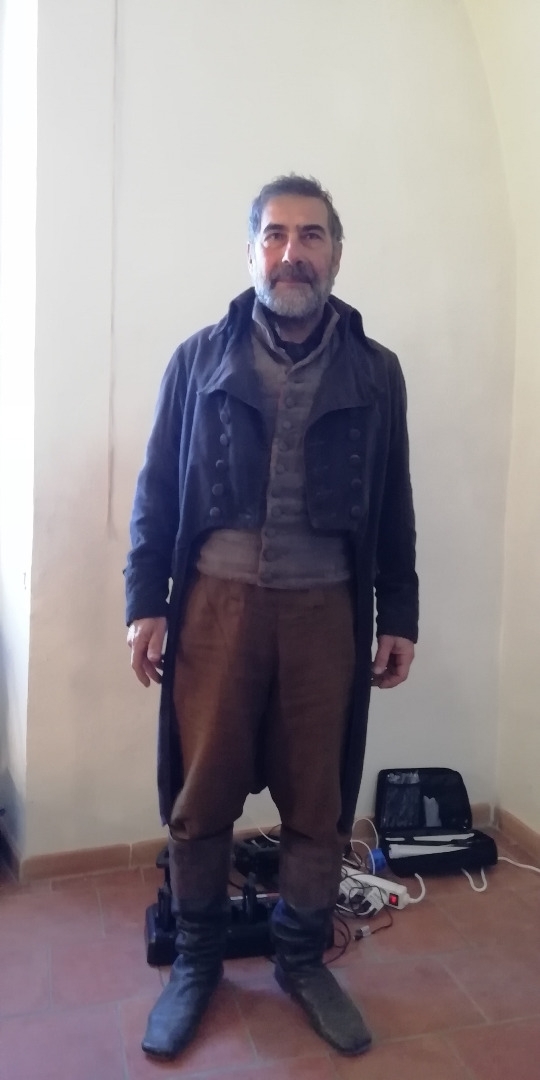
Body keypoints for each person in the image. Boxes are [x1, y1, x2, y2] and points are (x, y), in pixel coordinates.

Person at [125, 174, 418, 1061]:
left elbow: (394, 505)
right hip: (213, 613)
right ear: (252, 252)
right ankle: (197, 962)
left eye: (312, 236)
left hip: (327, 615)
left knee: (318, 802)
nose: (294, 253)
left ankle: (300, 959)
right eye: (277, 236)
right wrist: (145, 602)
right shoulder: (197, 360)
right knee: (202, 794)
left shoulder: (376, 372)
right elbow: (156, 490)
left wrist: (398, 612)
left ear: (336, 253)